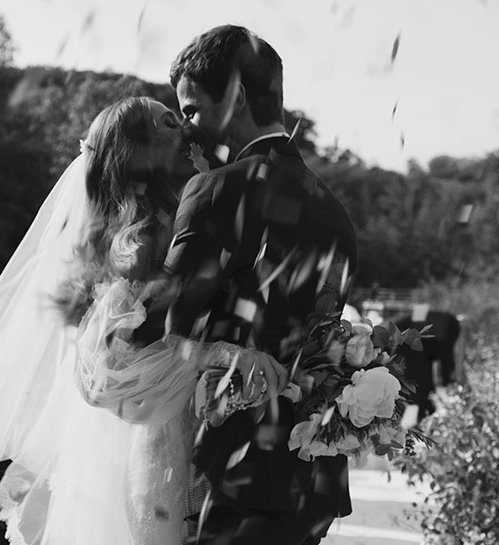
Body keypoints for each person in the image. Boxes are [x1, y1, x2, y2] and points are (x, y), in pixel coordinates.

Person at [0, 97, 274, 544]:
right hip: (149, 432)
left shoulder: (170, 217)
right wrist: (217, 353)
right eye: (168, 123)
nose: (185, 130)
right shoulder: (141, 238)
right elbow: (120, 354)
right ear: (139, 150)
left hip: (173, 421)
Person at [163, 25, 359, 544]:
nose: (186, 128)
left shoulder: (217, 190)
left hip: (231, 471)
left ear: (236, 99)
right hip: (310, 468)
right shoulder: (334, 208)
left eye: (191, 110)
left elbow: (163, 328)